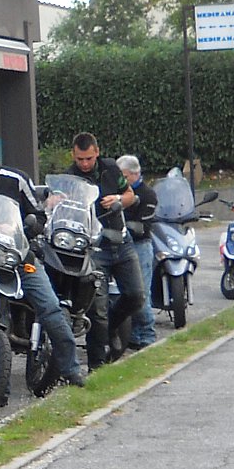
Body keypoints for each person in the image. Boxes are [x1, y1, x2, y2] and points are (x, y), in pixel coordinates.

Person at [0, 131, 87, 390]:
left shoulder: (17, 180)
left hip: (20, 258)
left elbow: (39, 215)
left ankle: (72, 370)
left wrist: (21, 229)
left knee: (51, 308)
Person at [65, 132, 147, 368]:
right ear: (73, 156)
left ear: (97, 153)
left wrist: (119, 199)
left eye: (89, 159)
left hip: (121, 241)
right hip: (93, 247)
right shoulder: (69, 178)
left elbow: (131, 195)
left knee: (136, 296)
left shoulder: (110, 168)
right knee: (97, 310)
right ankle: (97, 365)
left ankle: (112, 326)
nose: (84, 164)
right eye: (80, 159)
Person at [119, 155, 160, 350]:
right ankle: (132, 335)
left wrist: (122, 226)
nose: (121, 181)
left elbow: (142, 226)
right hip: (120, 244)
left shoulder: (148, 195)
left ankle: (147, 334)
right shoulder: (118, 192)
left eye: (124, 176)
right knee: (125, 292)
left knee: (141, 293)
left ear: (135, 174)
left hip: (140, 245)